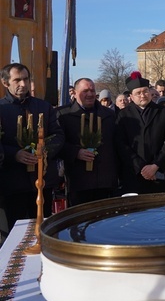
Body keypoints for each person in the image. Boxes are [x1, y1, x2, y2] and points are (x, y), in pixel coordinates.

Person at [0, 63, 64, 229]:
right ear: (5, 83)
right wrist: (14, 154)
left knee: (44, 228)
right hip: (13, 183)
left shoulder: (43, 106)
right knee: (17, 231)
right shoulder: (1, 109)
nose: (23, 84)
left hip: (41, 180)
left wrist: (44, 150)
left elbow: (58, 135)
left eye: (26, 79)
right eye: (17, 80)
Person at [57, 78, 117, 206]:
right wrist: (75, 152)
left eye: (92, 90)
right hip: (79, 181)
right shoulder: (62, 115)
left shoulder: (109, 115)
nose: (90, 94)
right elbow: (56, 144)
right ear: (74, 92)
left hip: (105, 180)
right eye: (85, 91)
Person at [114, 72, 165, 195]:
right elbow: (120, 144)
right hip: (134, 174)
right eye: (138, 93)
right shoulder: (123, 115)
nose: (143, 95)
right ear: (131, 97)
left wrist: (155, 166)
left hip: (159, 173)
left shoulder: (164, 112)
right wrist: (141, 168)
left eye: (145, 91)